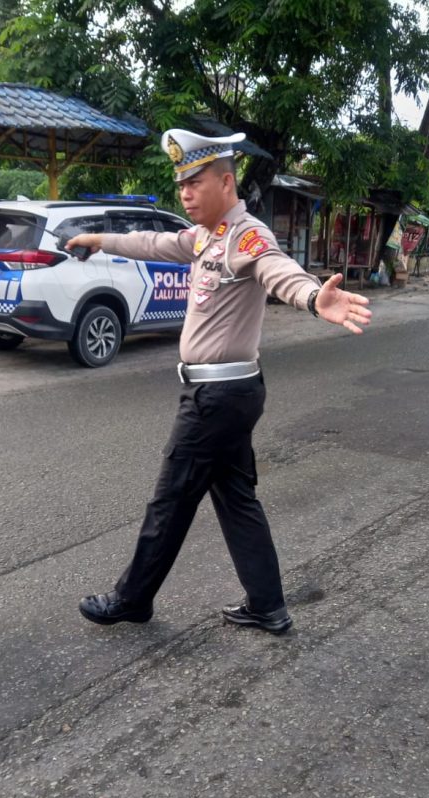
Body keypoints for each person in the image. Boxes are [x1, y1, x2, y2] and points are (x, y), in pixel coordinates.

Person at [65, 128, 372, 635]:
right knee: (235, 497)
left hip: (217, 397)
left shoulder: (245, 236)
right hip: (228, 393)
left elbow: (277, 270)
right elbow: (155, 242)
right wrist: (98, 240)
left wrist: (315, 297)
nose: (184, 193)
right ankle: (267, 605)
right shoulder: (206, 236)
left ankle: (132, 598)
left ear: (227, 182)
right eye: (180, 184)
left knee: (170, 499)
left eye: (195, 182)